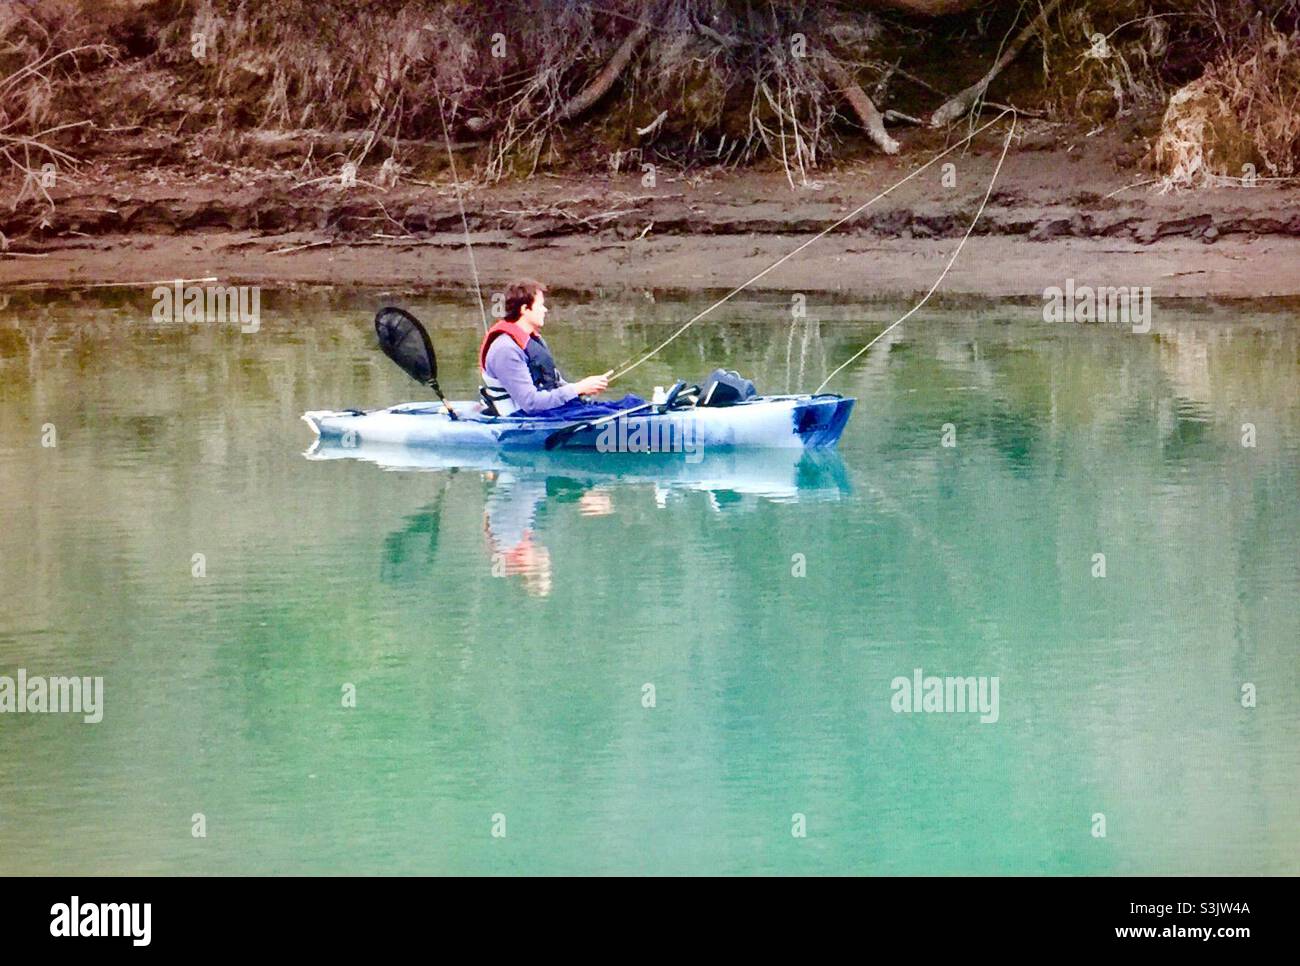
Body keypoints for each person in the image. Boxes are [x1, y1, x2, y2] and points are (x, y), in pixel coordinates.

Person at [478, 279, 611, 416]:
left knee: (629, 404)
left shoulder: (533, 340)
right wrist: (576, 389)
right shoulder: (505, 350)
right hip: (523, 419)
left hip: (548, 412)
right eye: (540, 305)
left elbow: (553, 383)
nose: (545, 310)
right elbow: (531, 403)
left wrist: (585, 388)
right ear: (525, 309)